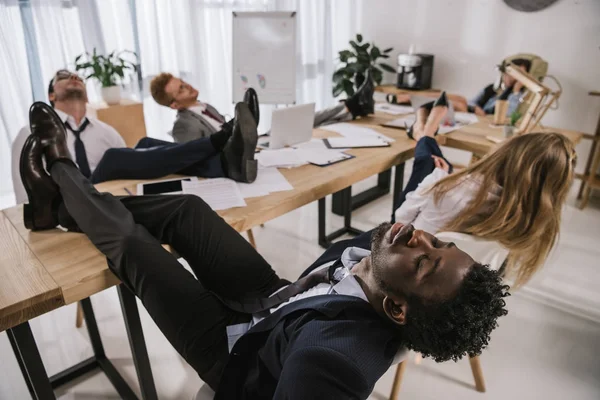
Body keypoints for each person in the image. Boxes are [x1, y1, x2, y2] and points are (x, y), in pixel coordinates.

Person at [20, 101, 509, 399]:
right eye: (438, 242)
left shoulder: (334, 360)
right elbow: (413, 225)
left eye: (424, 261)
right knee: (188, 208)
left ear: (396, 308)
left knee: (130, 245)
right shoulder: (392, 259)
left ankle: (63, 175)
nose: (421, 238)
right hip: (272, 299)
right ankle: (63, 208)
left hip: (230, 350)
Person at [394, 93, 576, 287]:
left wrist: (436, 179)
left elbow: (400, 220)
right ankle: (424, 132)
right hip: (446, 290)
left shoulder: (443, 187)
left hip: (403, 267)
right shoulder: (526, 223)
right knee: (442, 168)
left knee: (427, 165)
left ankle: (425, 131)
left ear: (504, 154)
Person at [11, 70, 261, 204]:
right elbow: (26, 191)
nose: (74, 78)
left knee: (145, 145)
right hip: (71, 200)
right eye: (64, 77)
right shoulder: (33, 133)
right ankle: (220, 144)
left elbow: (136, 165)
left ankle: (226, 164)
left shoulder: (104, 131)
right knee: (112, 158)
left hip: (106, 198)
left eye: (78, 77)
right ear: (51, 96)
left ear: (87, 96)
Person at [149, 70, 375, 143]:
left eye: (183, 82)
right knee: (303, 122)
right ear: (175, 104)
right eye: (180, 90)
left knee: (304, 119)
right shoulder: (183, 125)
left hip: (251, 142)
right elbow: (200, 157)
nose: (187, 86)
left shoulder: (203, 105)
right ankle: (355, 106)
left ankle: (354, 107)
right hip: (243, 155)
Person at [388, 58, 532, 117]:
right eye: (511, 72)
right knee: (460, 99)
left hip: (486, 119)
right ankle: (407, 98)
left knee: (459, 104)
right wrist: (474, 108)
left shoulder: (520, 95)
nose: (512, 77)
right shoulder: (493, 88)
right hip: (476, 112)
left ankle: (406, 99)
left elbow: (508, 115)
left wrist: (516, 91)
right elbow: (473, 101)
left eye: (518, 74)